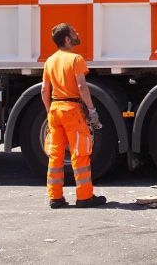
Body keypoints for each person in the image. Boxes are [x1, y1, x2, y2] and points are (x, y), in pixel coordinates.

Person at [42, 22, 106, 208]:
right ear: (67, 39)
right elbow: (81, 87)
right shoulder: (76, 59)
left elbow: (45, 90)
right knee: (80, 154)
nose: (77, 33)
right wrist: (92, 110)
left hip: (55, 109)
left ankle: (55, 197)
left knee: (55, 156)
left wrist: (49, 112)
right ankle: (84, 197)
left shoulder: (50, 61)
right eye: (73, 32)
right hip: (72, 111)